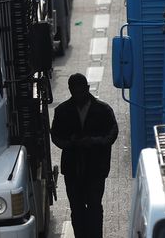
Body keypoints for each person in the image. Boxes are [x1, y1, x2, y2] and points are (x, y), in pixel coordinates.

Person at [50, 73, 119, 238]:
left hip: (96, 169)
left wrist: (94, 141)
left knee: (94, 207)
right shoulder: (62, 111)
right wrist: (71, 143)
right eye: (75, 91)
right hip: (73, 170)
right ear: (70, 90)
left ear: (87, 89)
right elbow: (56, 135)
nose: (79, 95)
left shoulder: (103, 109)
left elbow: (112, 133)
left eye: (81, 91)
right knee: (77, 208)